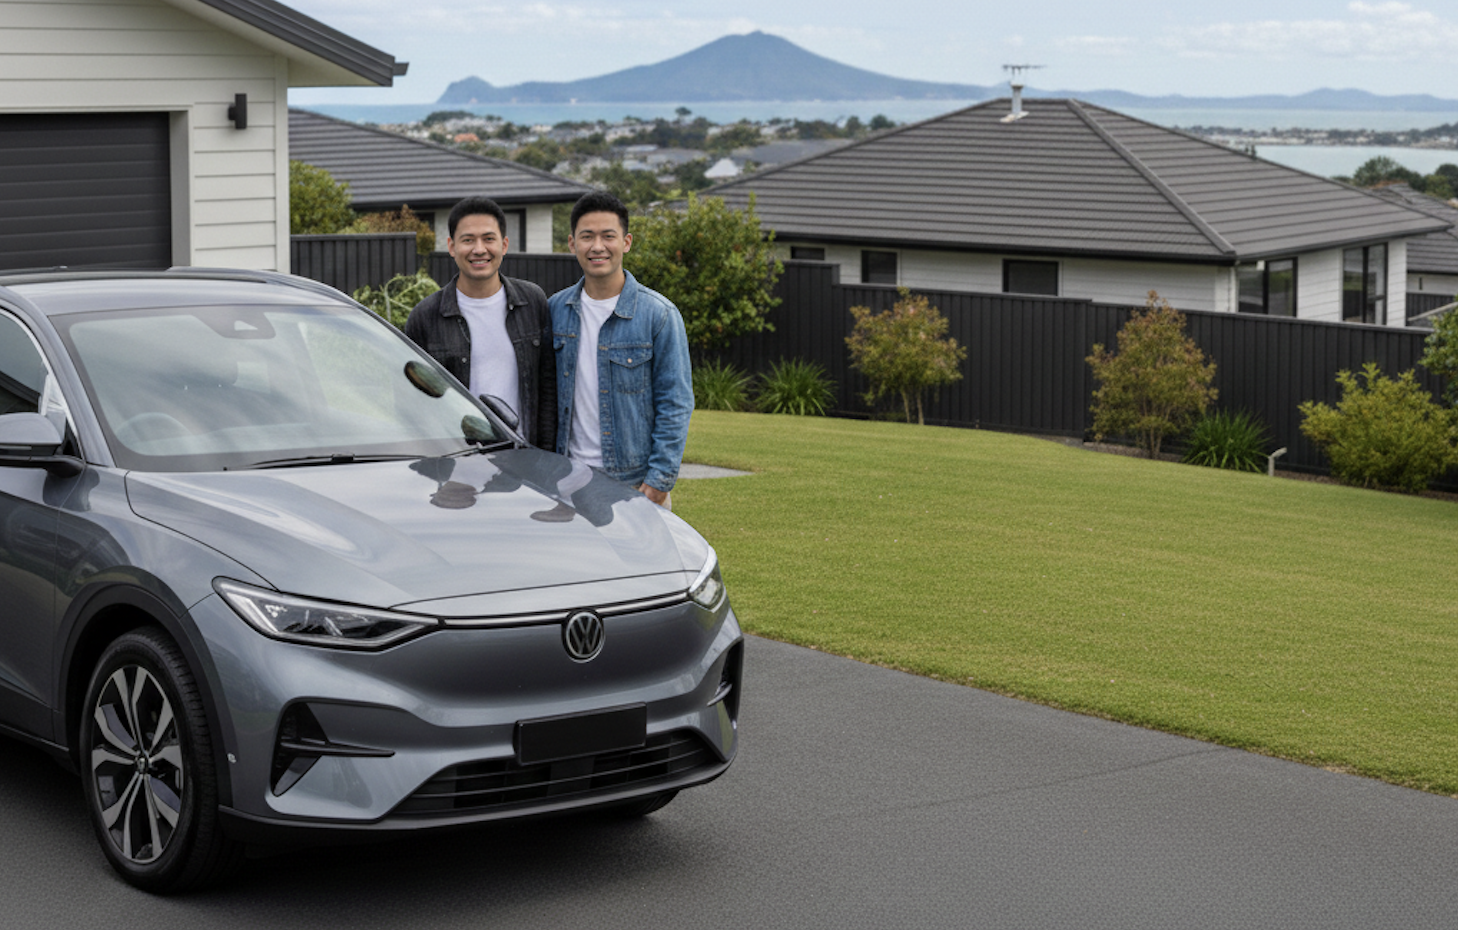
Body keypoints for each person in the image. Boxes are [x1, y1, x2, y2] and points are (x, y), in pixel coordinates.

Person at [550, 191, 692, 508]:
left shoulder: (659, 315)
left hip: (634, 484)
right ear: (572, 244)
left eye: (608, 236)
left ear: (626, 242)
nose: (597, 246)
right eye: (587, 237)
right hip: (567, 480)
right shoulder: (554, 310)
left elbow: (676, 403)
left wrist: (657, 483)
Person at [404, 196, 556, 447]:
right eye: (468, 240)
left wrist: (547, 457)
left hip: (525, 458)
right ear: (452, 247)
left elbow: (547, 389)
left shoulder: (532, 301)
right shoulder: (425, 316)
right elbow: (413, 404)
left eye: (488, 239)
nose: (479, 249)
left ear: (504, 244)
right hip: (459, 460)